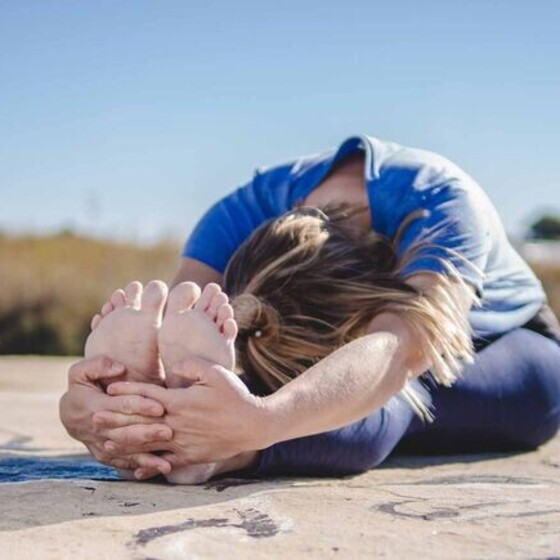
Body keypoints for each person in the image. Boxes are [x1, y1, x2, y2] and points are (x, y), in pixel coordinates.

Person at [59, 134, 560, 483]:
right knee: (233, 381)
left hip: (505, 345)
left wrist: (262, 421)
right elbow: (171, 327)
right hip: (322, 331)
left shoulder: (439, 204)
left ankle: (229, 454)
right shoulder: (237, 214)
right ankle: (216, 431)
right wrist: (104, 412)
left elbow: (398, 350)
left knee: (393, 394)